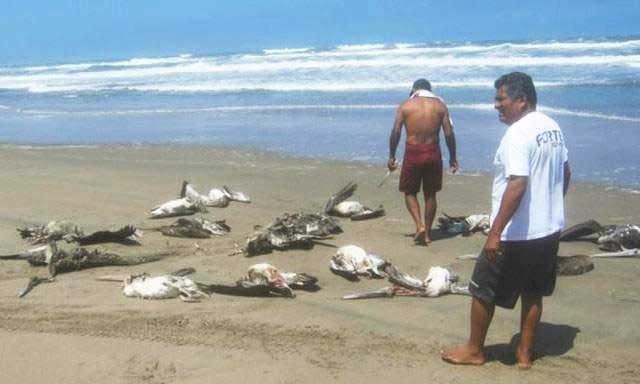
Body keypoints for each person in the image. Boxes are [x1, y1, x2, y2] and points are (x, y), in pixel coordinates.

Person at [441, 72, 571, 369]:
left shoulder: (517, 134)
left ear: (522, 99)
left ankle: (475, 350)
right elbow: (565, 172)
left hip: (517, 233)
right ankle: (524, 354)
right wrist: (550, 206)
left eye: (501, 99)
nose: (496, 105)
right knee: (533, 291)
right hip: (549, 229)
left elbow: (517, 184)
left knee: (481, 289)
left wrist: (495, 232)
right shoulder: (553, 127)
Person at [388, 79, 458, 245]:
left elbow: (396, 131)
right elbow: (449, 133)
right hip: (433, 152)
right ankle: (427, 234)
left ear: (414, 90)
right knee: (430, 194)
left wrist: (391, 156)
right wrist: (453, 157)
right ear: (430, 90)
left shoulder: (406, 105)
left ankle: (419, 225)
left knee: (409, 191)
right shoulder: (440, 106)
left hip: (413, 151)